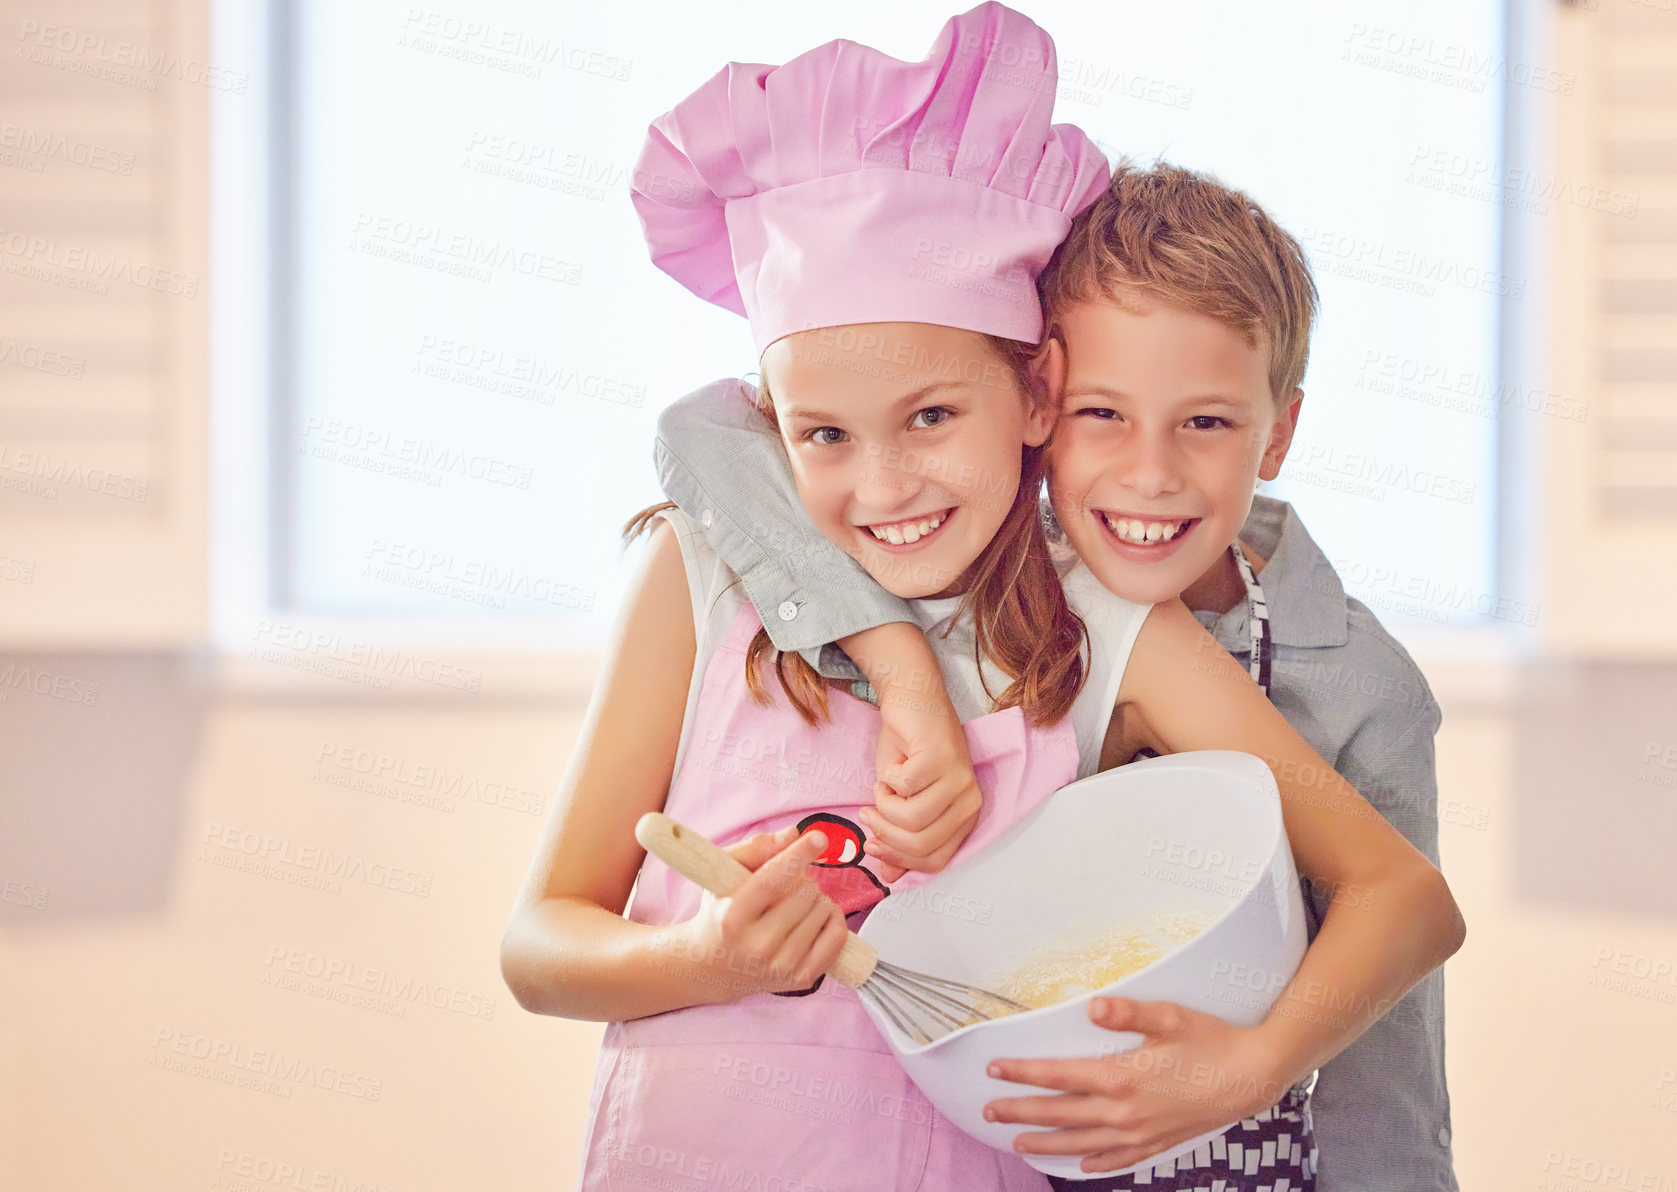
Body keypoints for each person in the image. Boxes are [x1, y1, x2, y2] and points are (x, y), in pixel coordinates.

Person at [501, 5, 1464, 1189]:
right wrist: (709, 956)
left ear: (1035, 395)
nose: (886, 483)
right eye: (823, 434)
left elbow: (1403, 893)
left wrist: (1241, 1070)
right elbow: (538, 947)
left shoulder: (1108, 626)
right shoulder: (697, 577)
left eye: (934, 416)